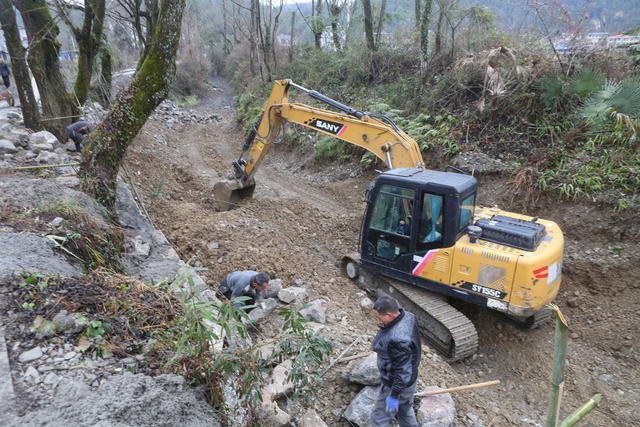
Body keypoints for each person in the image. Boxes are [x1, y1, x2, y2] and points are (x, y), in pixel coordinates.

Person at [371, 295, 421, 427]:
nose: (379, 320)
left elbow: (402, 371)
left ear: (389, 315)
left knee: (379, 419)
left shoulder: (397, 339)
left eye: (379, 317)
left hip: (396, 384)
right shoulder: (409, 317)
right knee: (405, 410)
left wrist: (394, 394)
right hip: (411, 380)